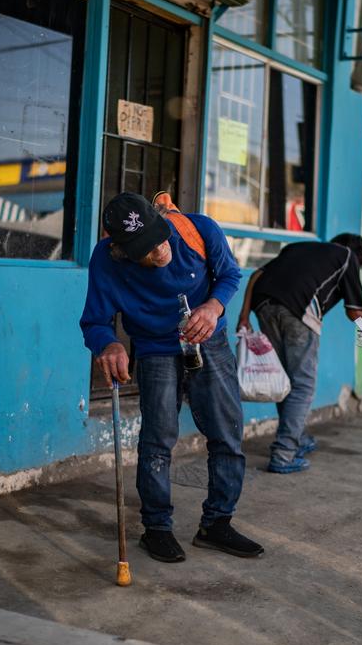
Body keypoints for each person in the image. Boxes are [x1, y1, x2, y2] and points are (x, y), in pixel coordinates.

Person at [80, 192, 263, 563]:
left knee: (227, 432)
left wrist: (213, 307)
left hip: (209, 339)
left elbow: (229, 274)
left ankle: (217, 523)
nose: (160, 251)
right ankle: (157, 528)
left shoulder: (199, 228)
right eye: (146, 249)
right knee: (158, 438)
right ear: (121, 250)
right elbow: (94, 321)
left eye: (159, 236)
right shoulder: (106, 260)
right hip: (154, 347)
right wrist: (110, 345)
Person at [235, 235, 362, 473]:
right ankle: (284, 453)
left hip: (263, 305)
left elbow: (255, 276)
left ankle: (297, 438)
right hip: (298, 311)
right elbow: (354, 314)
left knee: (287, 381)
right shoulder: (346, 257)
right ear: (357, 255)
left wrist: (243, 317)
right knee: (302, 384)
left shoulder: (299, 247)